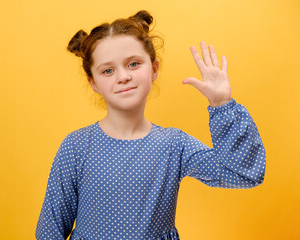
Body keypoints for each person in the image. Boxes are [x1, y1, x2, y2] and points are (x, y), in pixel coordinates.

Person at [36, 10, 266, 240]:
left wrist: (222, 104)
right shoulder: (76, 147)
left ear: (154, 69)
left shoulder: (174, 144)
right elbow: (50, 230)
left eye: (133, 64)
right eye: (108, 70)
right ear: (93, 82)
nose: (123, 76)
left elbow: (244, 174)